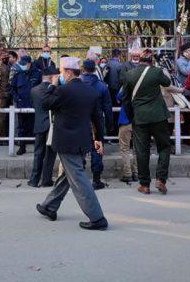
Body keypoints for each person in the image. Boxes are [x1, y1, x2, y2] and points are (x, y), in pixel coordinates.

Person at [35, 57, 107, 230]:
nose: (60, 75)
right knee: (68, 175)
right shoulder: (90, 91)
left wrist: (52, 85)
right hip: (83, 141)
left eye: (61, 72)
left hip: (66, 142)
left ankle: (97, 217)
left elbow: (45, 103)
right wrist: (99, 139)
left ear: (68, 72)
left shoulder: (64, 90)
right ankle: (49, 206)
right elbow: (98, 117)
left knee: (78, 179)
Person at [123, 49, 172, 195]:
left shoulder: (129, 74)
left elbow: (125, 98)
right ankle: (161, 179)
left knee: (141, 151)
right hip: (159, 117)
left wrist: (131, 116)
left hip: (139, 118)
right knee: (164, 147)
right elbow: (167, 82)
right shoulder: (156, 72)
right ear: (152, 61)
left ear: (139, 60)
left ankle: (144, 185)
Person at [80, 59, 112, 190]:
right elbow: (108, 107)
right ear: (94, 69)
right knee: (97, 150)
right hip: (97, 123)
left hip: (80, 123)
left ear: (83, 69)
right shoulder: (102, 86)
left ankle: (80, 181)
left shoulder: (77, 84)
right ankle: (96, 180)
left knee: (80, 151)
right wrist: (109, 124)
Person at [28, 66, 59, 187]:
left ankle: (34, 179)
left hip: (39, 124)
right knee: (50, 155)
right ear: (52, 77)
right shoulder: (56, 90)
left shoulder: (34, 90)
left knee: (38, 153)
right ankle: (46, 179)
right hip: (52, 125)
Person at [11, 55, 39, 155]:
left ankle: (36, 148)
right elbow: (12, 89)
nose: (23, 65)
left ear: (29, 63)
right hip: (21, 105)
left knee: (34, 126)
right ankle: (22, 147)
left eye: (24, 64)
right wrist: (17, 98)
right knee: (21, 127)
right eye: (21, 64)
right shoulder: (18, 75)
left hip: (33, 105)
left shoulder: (37, 74)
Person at [115, 88, 138, 182]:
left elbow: (118, 98)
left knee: (125, 148)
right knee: (138, 149)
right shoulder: (143, 86)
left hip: (125, 121)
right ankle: (136, 173)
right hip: (139, 122)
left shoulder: (126, 86)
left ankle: (127, 174)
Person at [0, 49, 14, 144]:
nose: (6, 57)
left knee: (6, 117)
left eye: (7, 55)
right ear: (0, 56)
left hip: (7, 94)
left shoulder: (7, 65)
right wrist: (1, 94)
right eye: (4, 55)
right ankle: (0, 139)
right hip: (1, 96)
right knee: (1, 118)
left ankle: (5, 137)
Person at [105, 48, 123, 134]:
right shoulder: (120, 66)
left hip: (108, 92)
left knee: (109, 112)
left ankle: (109, 133)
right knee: (117, 113)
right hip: (117, 93)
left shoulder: (106, 65)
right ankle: (116, 132)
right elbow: (122, 80)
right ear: (119, 55)